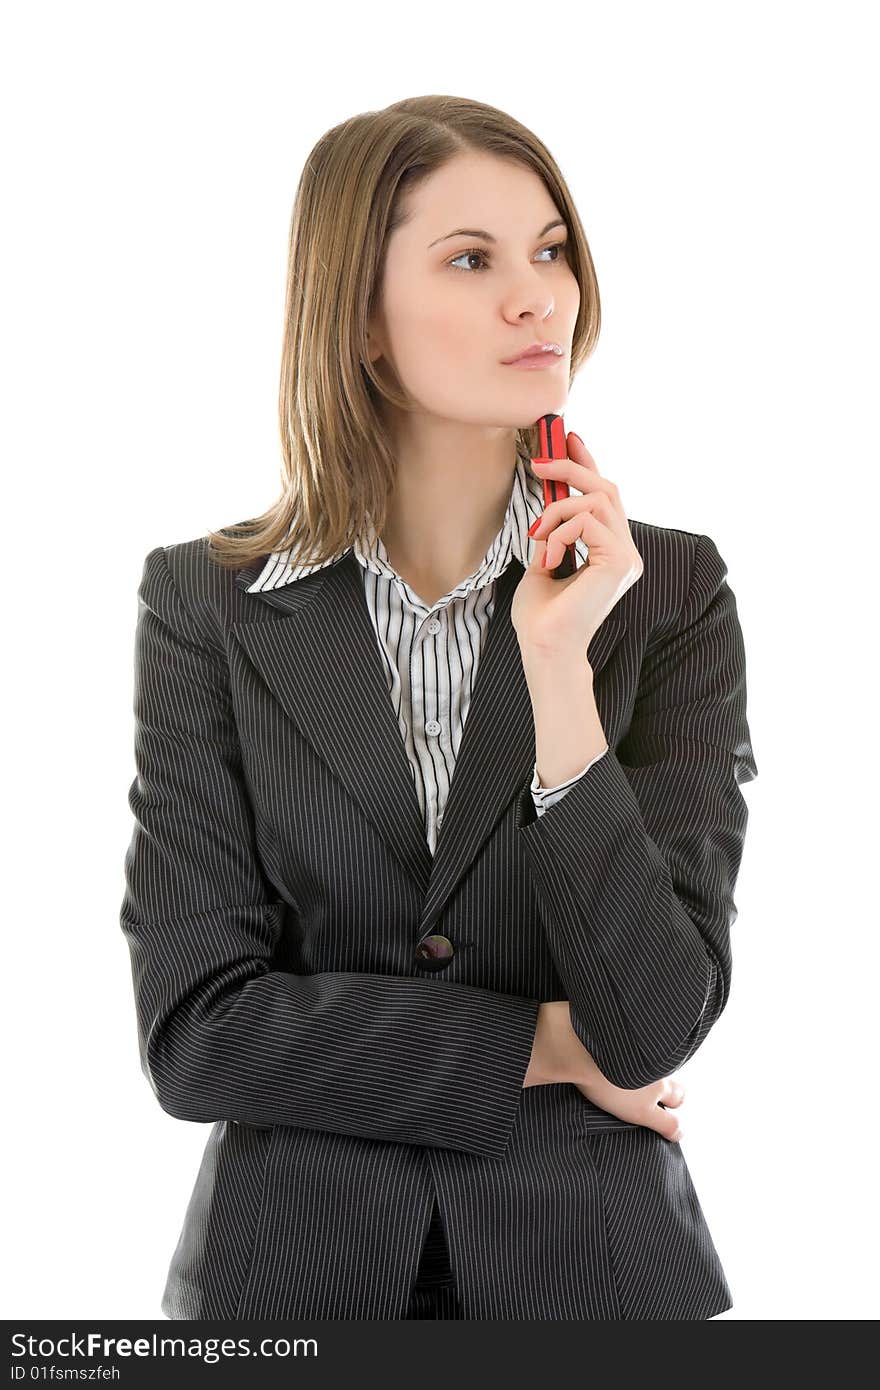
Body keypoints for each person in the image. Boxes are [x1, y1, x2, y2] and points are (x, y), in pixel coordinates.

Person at [120, 94, 758, 1321]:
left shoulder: (668, 592)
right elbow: (200, 1035)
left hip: (595, 1281)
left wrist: (561, 679)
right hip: (288, 1286)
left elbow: (652, 1024)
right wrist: (548, 1049)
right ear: (360, 321)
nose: (538, 296)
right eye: (472, 259)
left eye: (550, 249)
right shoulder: (204, 602)